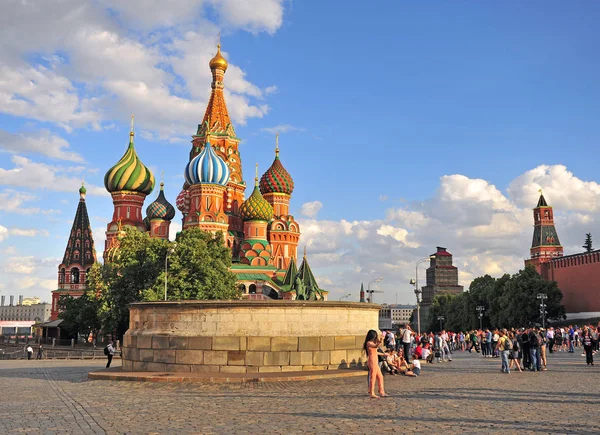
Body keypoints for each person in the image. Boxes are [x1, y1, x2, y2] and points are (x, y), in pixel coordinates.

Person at [363, 330, 388, 398]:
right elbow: (375, 346)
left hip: (375, 361)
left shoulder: (371, 343)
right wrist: (380, 340)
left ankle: (381, 391)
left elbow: (375, 351)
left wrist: (383, 354)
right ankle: (372, 392)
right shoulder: (368, 343)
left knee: (380, 376)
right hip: (372, 361)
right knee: (373, 377)